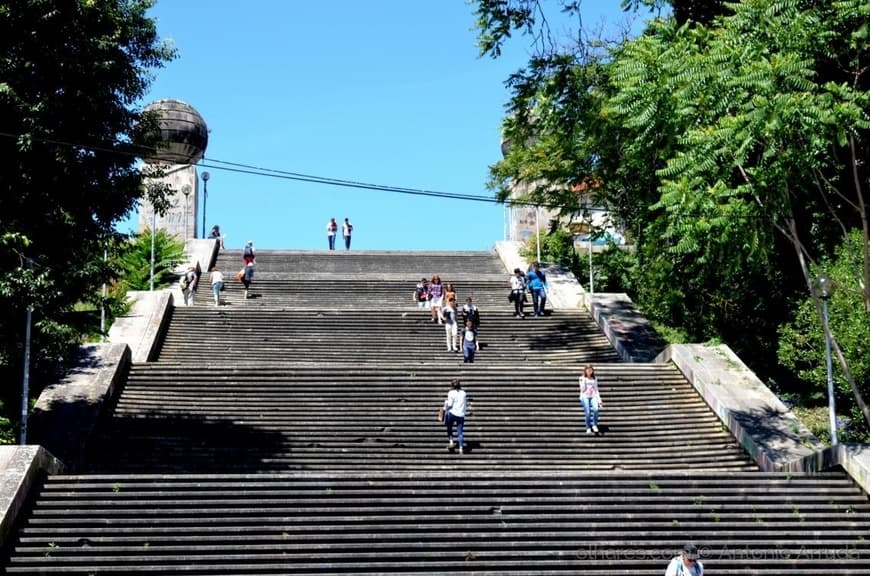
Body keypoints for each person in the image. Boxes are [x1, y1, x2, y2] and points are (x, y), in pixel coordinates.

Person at [443, 378, 468, 454]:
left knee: (449, 426)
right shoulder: (464, 393)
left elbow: (450, 405)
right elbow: (465, 404)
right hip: (461, 414)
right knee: (460, 432)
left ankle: (451, 442)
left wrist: (445, 407)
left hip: (452, 413)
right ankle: (461, 448)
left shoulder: (451, 393)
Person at [579, 364, 602, 434]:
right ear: (585, 371)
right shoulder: (581, 378)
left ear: (592, 371)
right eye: (588, 370)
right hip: (585, 396)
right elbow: (582, 389)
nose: (589, 371)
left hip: (593, 396)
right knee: (588, 413)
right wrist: (583, 381)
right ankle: (588, 427)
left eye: (590, 370)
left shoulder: (594, 378)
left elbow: (596, 389)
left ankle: (594, 425)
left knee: (596, 409)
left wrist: (599, 400)